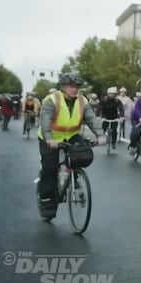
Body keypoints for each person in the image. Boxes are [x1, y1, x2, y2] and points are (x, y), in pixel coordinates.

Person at [37, 72, 105, 219]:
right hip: (51, 138)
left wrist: (100, 135)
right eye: (71, 86)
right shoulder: (52, 100)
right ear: (63, 87)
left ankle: (74, 177)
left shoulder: (82, 101)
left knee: (83, 154)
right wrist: (49, 138)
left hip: (72, 136)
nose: (75, 89)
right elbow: (45, 122)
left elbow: (91, 119)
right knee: (49, 168)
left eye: (77, 86)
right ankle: (47, 200)